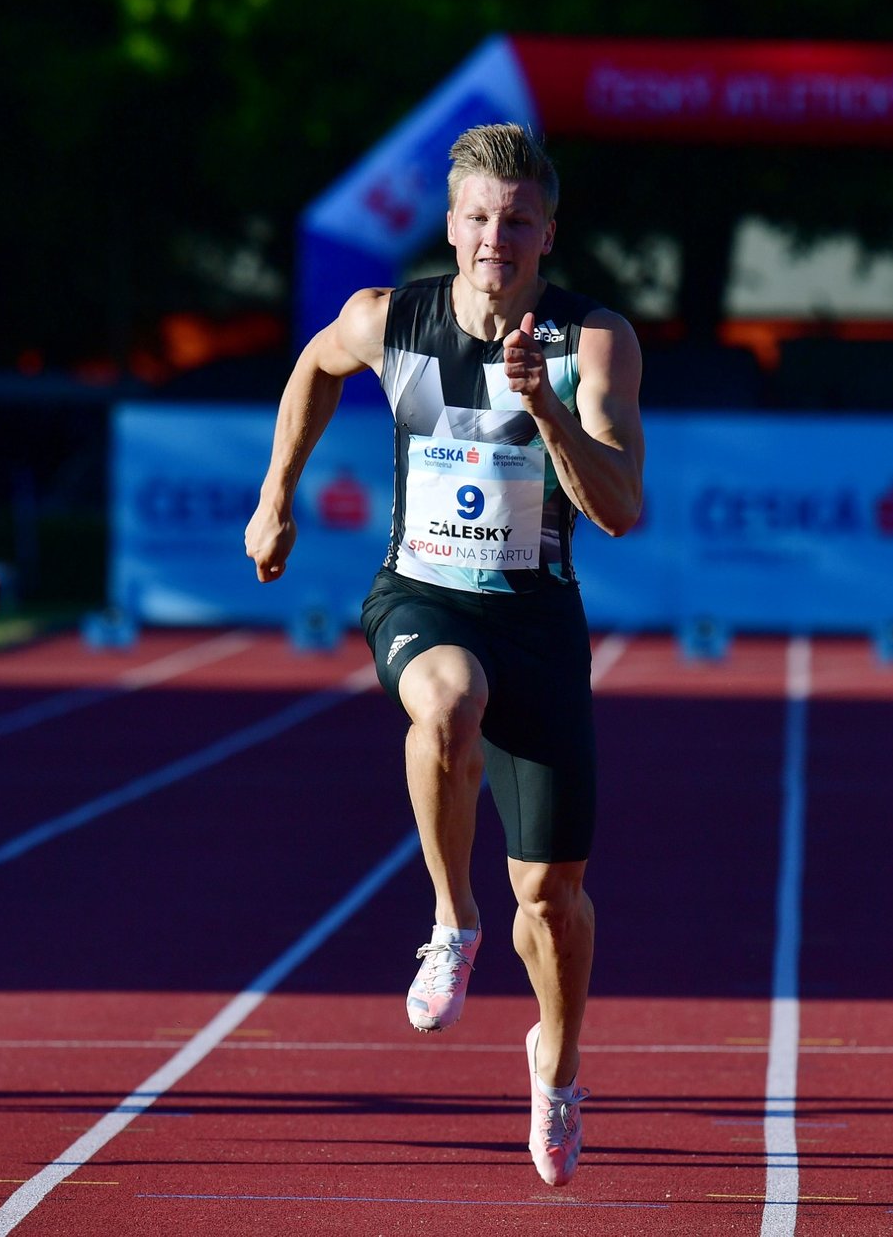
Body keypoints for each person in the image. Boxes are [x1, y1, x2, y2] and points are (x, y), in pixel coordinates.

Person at [245, 123, 643, 1187]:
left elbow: (620, 509)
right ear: (453, 224)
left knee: (554, 896)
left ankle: (555, 1065)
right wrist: (277, 494)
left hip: (538, 620)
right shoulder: (394, 319)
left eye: (517, 221)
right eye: (476, 217)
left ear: (547, 233)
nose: (494, 238)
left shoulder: (590, 341)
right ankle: (449, 919)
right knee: (447, 703)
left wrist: (547, 405)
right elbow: (314, 366)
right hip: (421, 593)